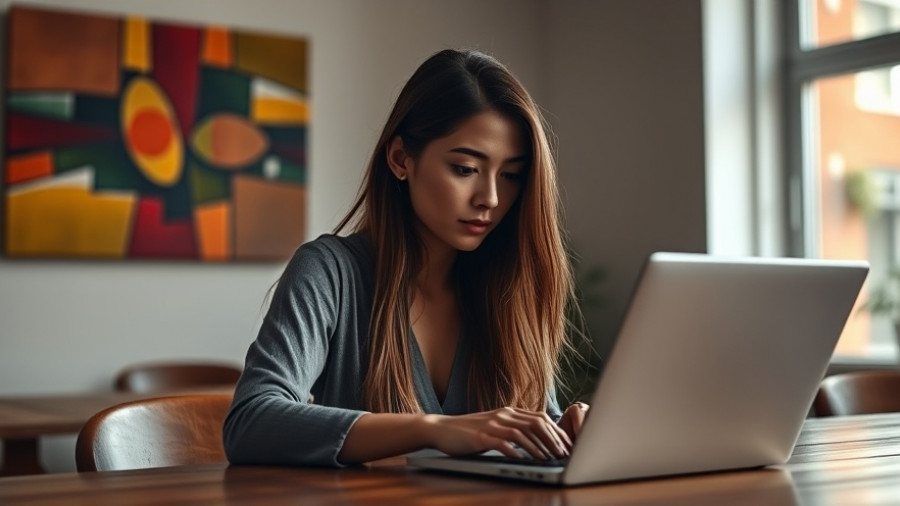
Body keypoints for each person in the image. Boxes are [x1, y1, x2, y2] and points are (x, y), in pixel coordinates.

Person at [223, 48, 589, 468]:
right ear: (401, 159)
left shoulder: (508, 285)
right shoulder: (330, 273)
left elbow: (531, 430)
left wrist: (570, 431)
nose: (490, 197)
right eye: (466, 168)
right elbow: (250, 421)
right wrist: (433, 429)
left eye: (510, 176)